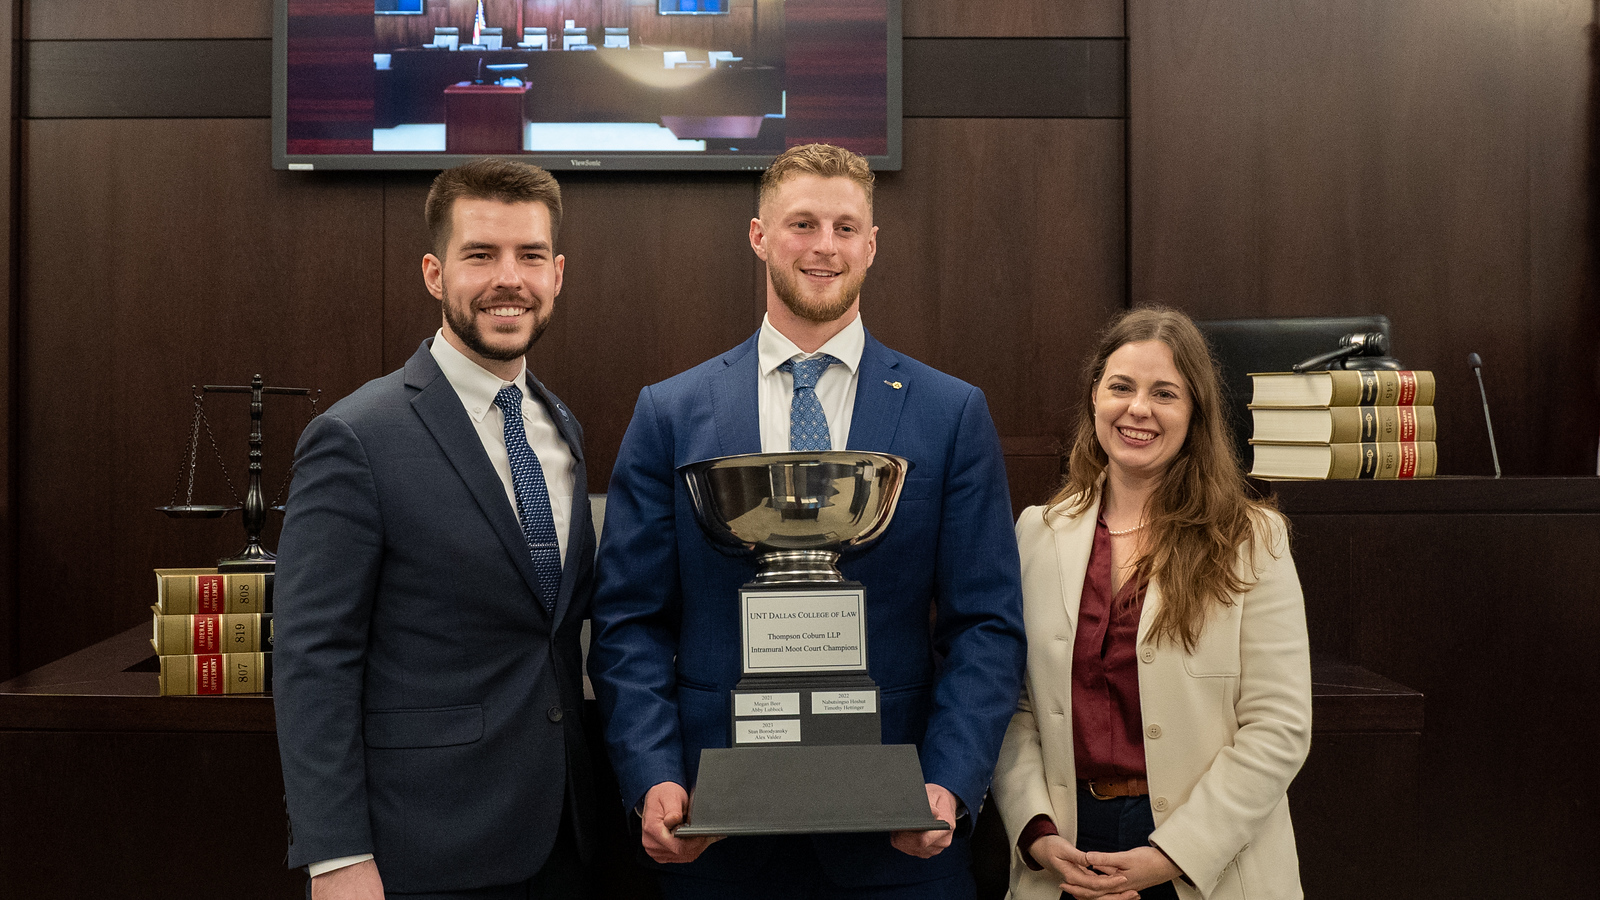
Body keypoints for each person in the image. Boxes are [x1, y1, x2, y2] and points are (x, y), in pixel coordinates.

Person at [587, 143, 1026, 899]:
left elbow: (985, 622)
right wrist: (653, 775)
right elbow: (629, 620)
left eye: (845, 227)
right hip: (713, 826)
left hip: (896, 833)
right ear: (759, 236)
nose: (825, 246)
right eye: (802, 224)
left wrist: (950, 780)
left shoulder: (950, 413)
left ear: (872, 245)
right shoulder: (672, 412)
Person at [273, 158, 597, 900]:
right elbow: (312, 659)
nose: (509, 279)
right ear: (433, 273)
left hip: (563, 839)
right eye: (480, 255)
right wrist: (336, 855)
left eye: (531, 256)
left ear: (556, 275)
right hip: (422, 851)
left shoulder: (561, 428)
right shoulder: (355, 436)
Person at [991, 307, 1312, 900]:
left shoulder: (1251, 539)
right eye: (1121, 387)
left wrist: (1173, 854)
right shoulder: (1037, 532)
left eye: (1165, 393)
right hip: (1067, 850)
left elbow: (1279, 727)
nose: (1138, 409)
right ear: (1095, 397)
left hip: (1205, 860)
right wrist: (1036, 832)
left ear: (1195, 413)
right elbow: (1015, 707)